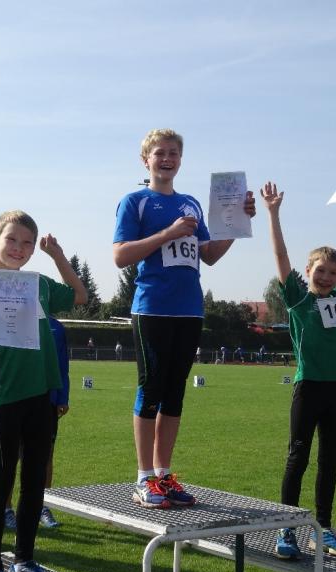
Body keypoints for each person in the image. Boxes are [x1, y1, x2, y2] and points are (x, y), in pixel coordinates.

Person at [112, 128, 255, 509]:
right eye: (160, 152)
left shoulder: (191, 204)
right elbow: (120, 255)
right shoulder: (135, 202)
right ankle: (144, 477)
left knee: (175, 392)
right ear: (146, 160)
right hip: (152, 307)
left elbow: (210, 255)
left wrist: (237, 223)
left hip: (189, 309)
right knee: (151, 389)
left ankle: (163, 474)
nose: (167, 159)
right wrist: (168, 233)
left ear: (181, 159)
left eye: (173, 153)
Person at [0, 210, 86, 572]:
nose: (19, 248)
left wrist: (57, 255)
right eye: (12, 239)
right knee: (2, 483)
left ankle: (24, 563)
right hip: (3, 399)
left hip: (41, 397)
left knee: (33, 485)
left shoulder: (39, 286)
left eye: (27, 243)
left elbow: (80, 296)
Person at [263, 180, 336, 560]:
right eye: (320, 271)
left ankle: (323, 529)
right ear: (308, 271)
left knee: (329, 461)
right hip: (307, 388)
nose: (326, 277)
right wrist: (273, 213)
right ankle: (286, 528)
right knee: (298, 458)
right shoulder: (298, 299)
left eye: (333, 273)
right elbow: (280, 255)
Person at [4, 316, 70, 531]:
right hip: (17, 398)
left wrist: (63, 397)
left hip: (48, 401)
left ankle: (42, 506)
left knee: (46, 456)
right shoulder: (13, 317)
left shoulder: (56, 327)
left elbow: (62, 365)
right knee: (11, 456)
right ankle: (7, 509)